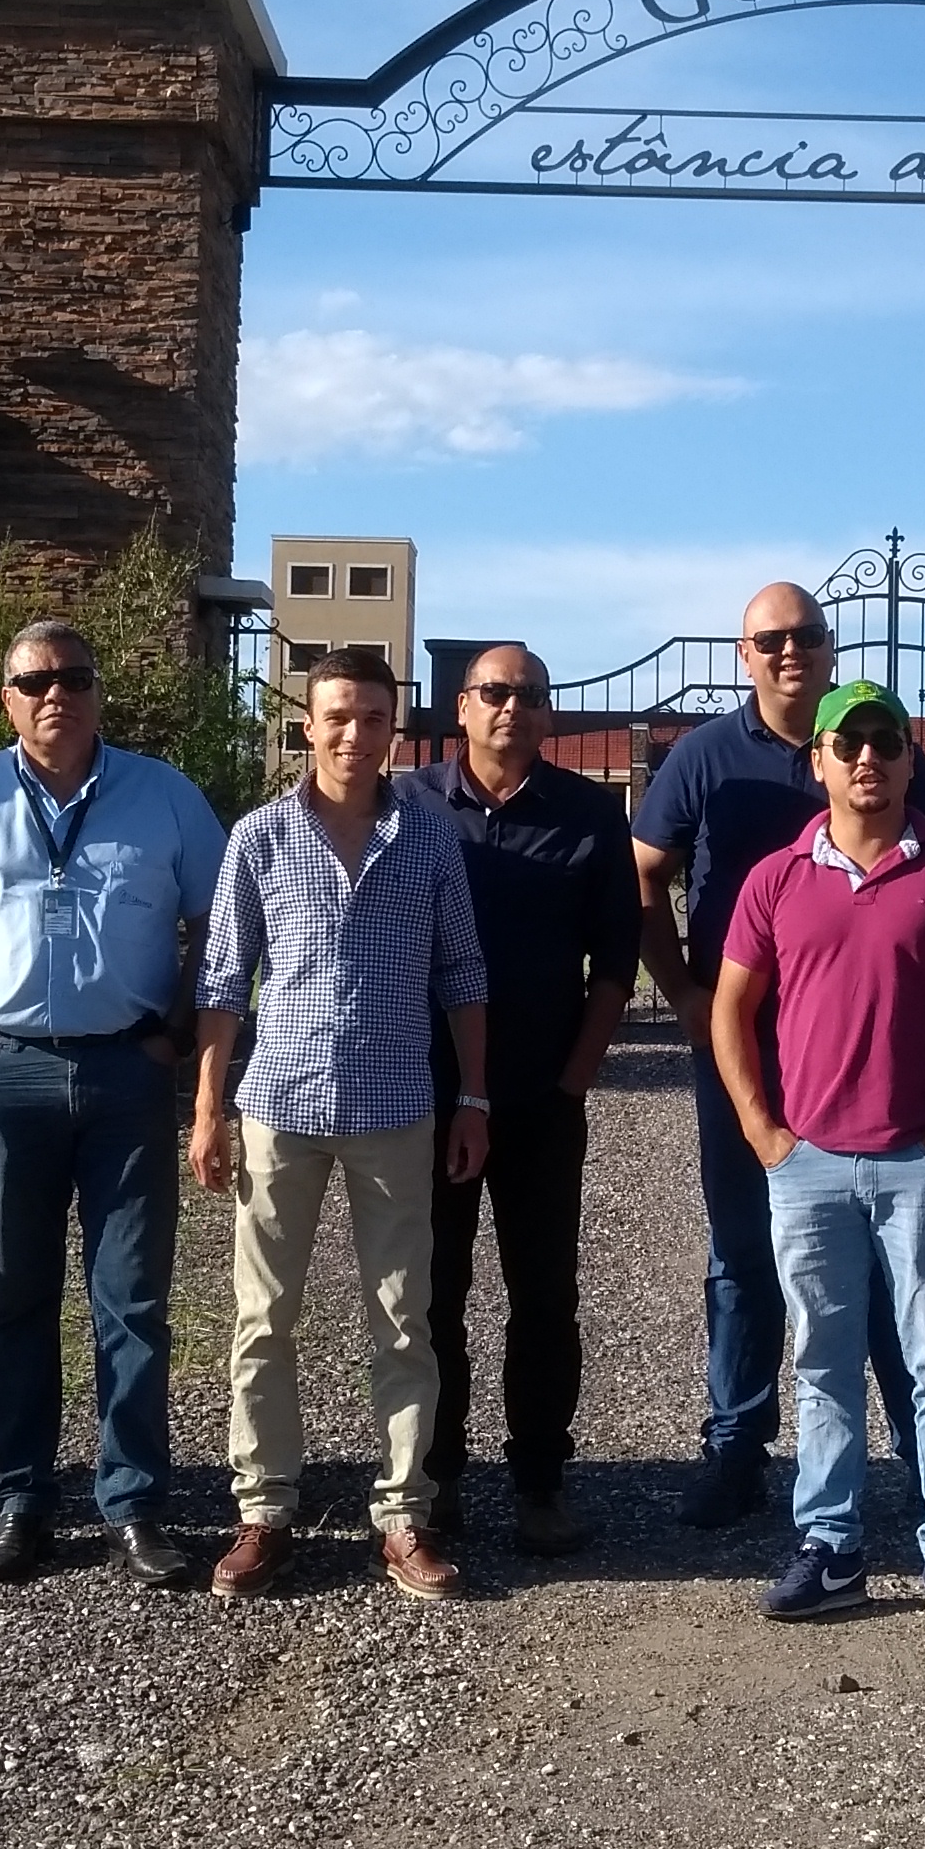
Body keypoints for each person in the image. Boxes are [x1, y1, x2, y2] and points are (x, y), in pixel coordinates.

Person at [0, 619, 225, 1590]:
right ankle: (22, 1498)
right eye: (33, 682)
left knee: (133, 1300)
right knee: (16, 1295)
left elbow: (219, 922)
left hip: (126, 1073)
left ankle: (133, 1503)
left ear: (98, 692)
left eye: (73, 678)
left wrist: (172, 1033)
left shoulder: (164, 796)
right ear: (8, 699)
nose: (54, 696)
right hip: (9, 1074)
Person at [632, 581, 925, 1531]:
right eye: (771, 639)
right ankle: (737, 1449)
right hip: (750, 1048)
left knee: (890, 1254)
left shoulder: (875, 746)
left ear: (828, 646)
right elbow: (643, 876)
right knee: (742, 1252)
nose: (790, 651)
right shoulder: (704, 758)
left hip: (869, 1050)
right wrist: (685, 994)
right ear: (745, 655)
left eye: (807, 635)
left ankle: (919, 1455)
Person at [711, 680, 925, 1635]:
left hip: (923, 1164)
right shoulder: (775, 878)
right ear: (817, 760)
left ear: (906, 760)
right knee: (823, 1361)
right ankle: (833, 1546)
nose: (867, 759)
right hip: (808, 1162)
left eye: (886, 742)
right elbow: (731, 1008)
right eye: (847, 743)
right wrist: (763, 1131)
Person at [193, 647, 490, 1604]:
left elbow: (462, 973)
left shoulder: (429, 839)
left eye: (372, 718)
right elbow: (222, 980)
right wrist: (207, 1106)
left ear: (393, 729)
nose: (355, 735)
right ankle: (264, 1510)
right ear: (308, 727)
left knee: (404, 1318)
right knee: (263, 1318)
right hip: (279, 1107)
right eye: (338, 717)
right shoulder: (259, 839)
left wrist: (474, 1097)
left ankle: (403, 1514)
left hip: (394, 1107)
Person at [399, 642, 640, 1558]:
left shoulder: (589, 814)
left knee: (544, 1296)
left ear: (548, 714)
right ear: (462, 707)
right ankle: (439, 1477)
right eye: (495, 692)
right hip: (425, 1093)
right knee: (433, 1295)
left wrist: (577, 1076)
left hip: (541, 1096)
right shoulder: (408, 806)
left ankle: (541, 1480)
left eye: (530, 695)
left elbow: (615, 960)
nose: (513, 707)